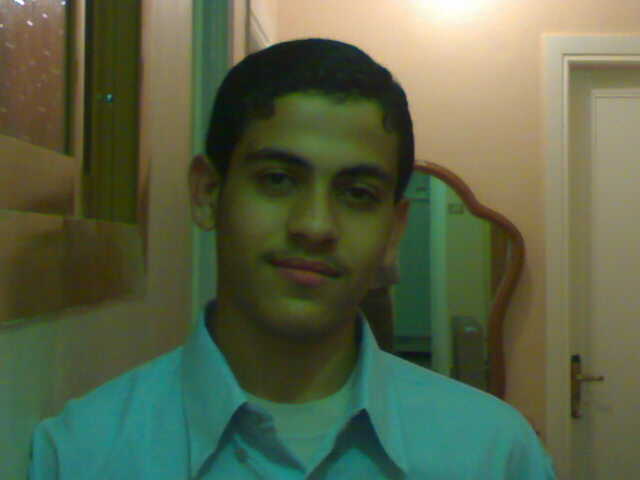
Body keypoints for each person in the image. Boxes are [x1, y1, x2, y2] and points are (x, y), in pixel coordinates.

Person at [28, 38, 556, 479]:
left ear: (394, 230)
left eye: (357, 194)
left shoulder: (492, 454)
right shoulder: (82, 454)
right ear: (208, 193)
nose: (315, 226)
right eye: (277, 180)